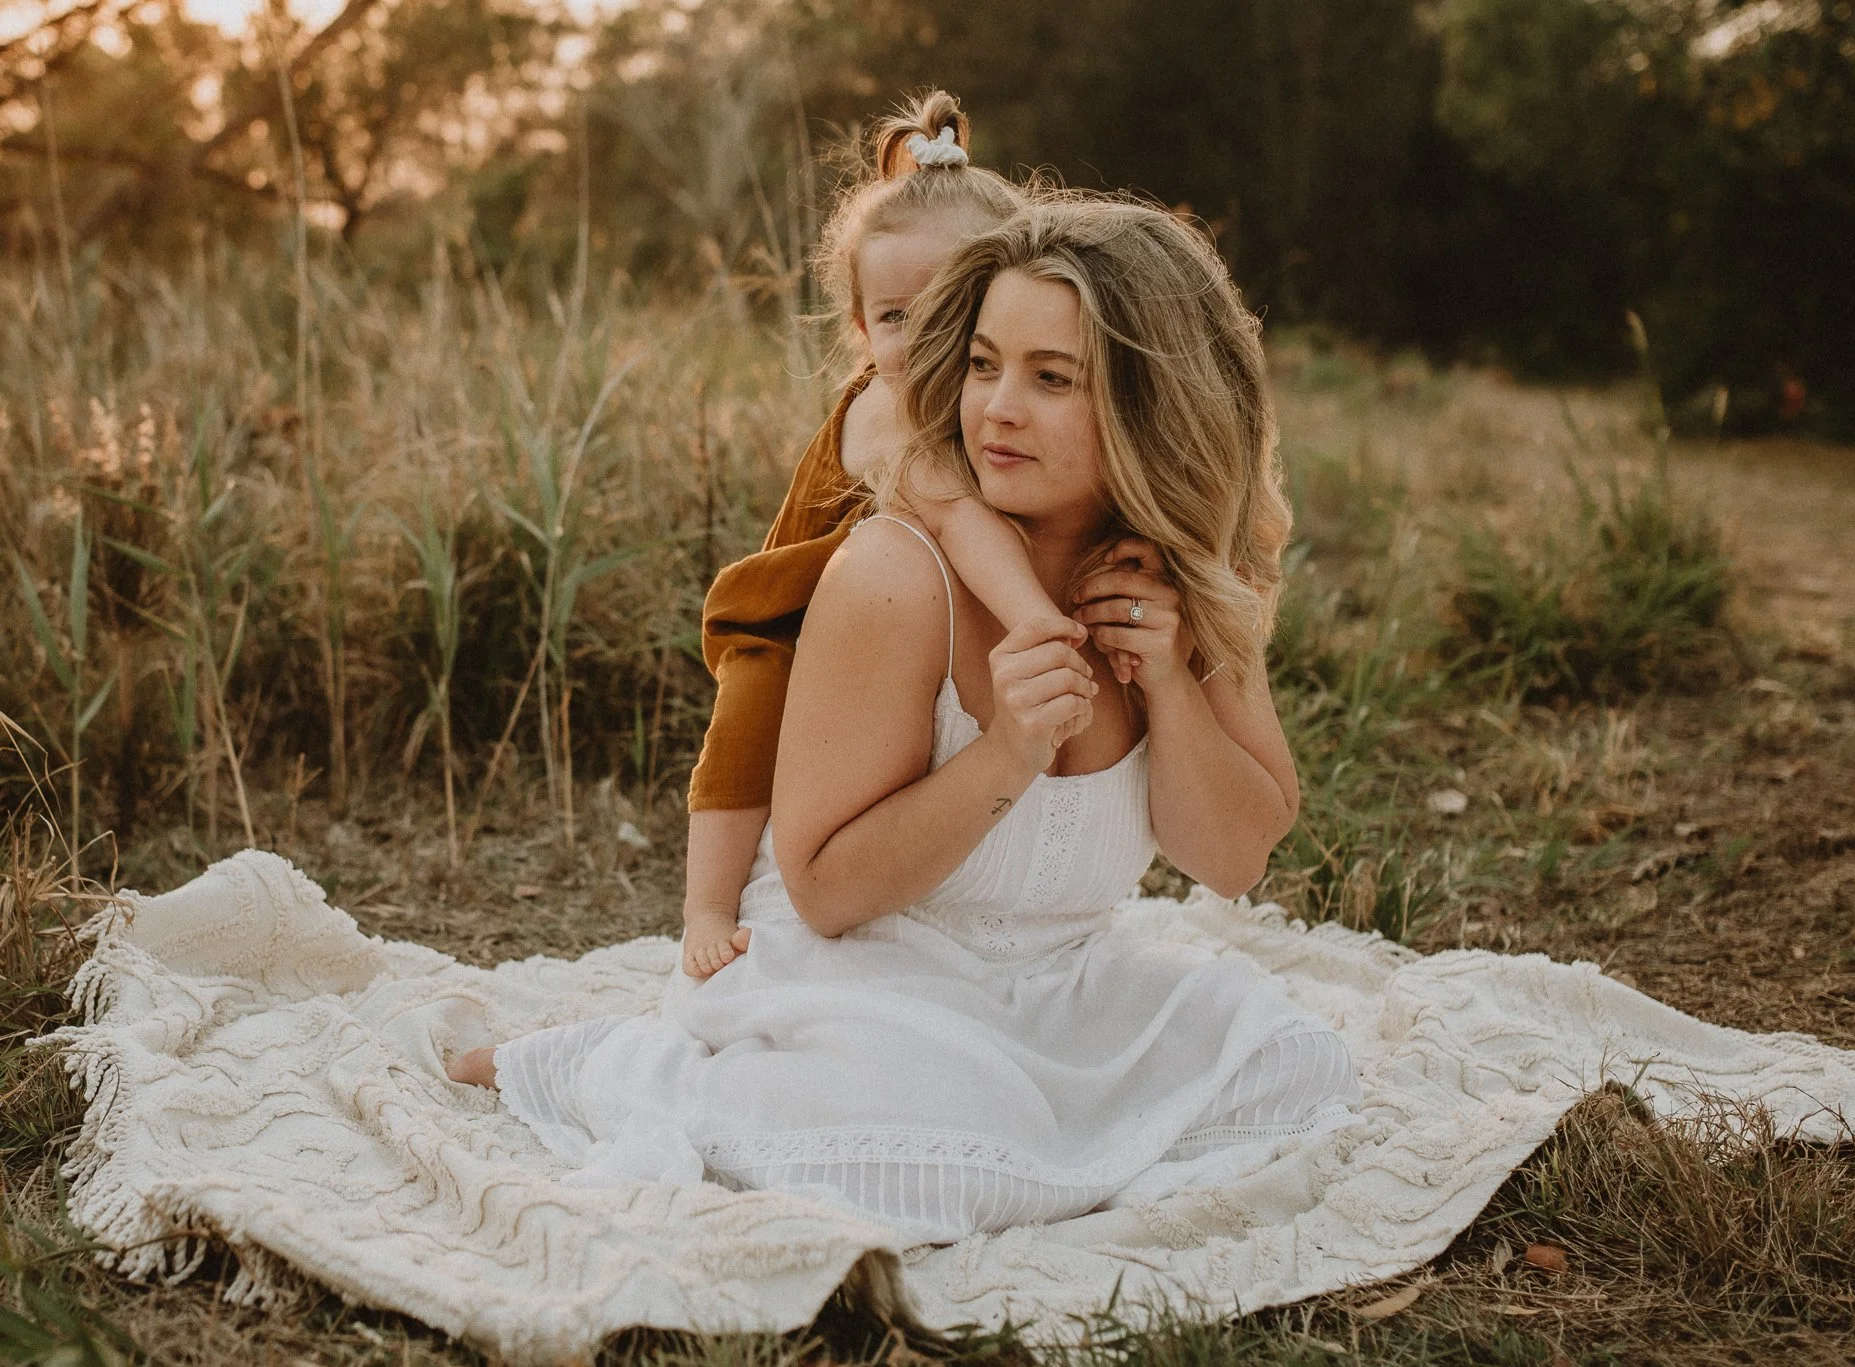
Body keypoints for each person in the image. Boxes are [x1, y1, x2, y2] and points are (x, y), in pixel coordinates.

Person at [449, 198, 1361, 1244]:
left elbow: (1235, 856)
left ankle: (1042, 1119)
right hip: (866, 983)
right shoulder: (896, 574)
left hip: (1060, 987)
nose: (995, 409)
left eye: (1049, 377)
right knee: (913, 1156)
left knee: (1293, 1062)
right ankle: (622, 1065)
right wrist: (1010, 750)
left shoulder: (1183, 585)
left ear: (1154, 403)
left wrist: (1165, 678)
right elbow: (827, 891)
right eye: (981, 364)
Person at [678, 92, 1074, 982]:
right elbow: (964, 524)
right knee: (747, 724)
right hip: (793, 601)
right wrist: (1038, 623)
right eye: (894, 317)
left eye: (950, 310)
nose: (920, 336)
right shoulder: (896, 412)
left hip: (889, 617)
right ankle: (707, 904)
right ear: (861, 330)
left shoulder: (982, 402)